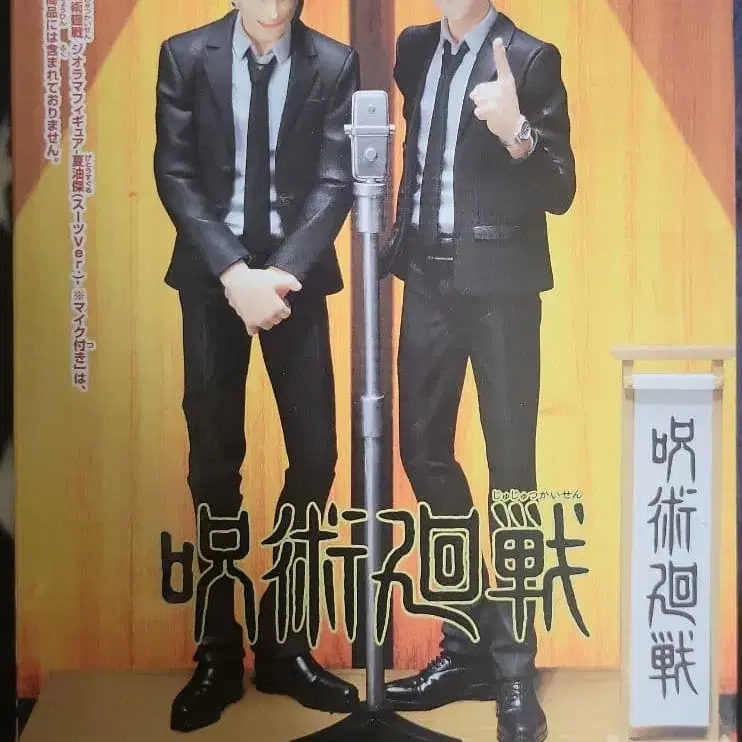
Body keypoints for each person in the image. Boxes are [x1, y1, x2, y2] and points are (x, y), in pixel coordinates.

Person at [153, 0, 360, 732]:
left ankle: (283, 642)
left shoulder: (333, 63)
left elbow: (336, 180)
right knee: (214, 463)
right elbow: (175, 173)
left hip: (293, 282)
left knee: (317, 455)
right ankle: (217, 650)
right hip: (212, 278)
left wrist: (280, 276)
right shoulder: (185, 55)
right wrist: (233, 273)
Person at [380, 1, 576, 741]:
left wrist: (518, 132)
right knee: (422, 453)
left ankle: (515, 671)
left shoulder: (530, 58)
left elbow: (561, 188)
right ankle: (468, 645)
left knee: (512, 475)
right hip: (427, 280)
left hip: (502, 289)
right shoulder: (413, 49)